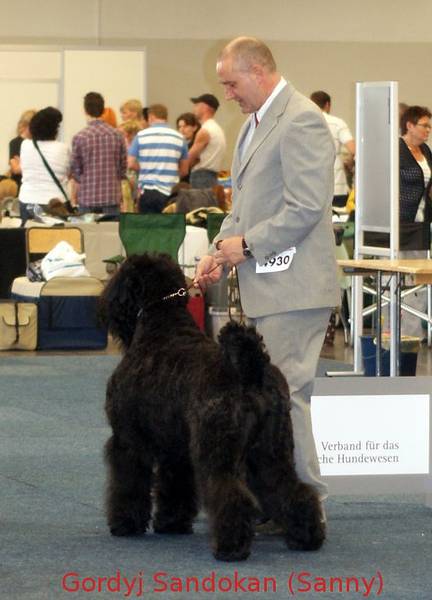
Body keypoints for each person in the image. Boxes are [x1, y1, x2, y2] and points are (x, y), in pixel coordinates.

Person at [195, 37, 339, 515]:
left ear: (258, 71)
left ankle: (307, 503)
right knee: (271, 397)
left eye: (231, 84)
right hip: (267, 284)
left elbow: (306, 207)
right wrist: (218, 250)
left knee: (286, 395)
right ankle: (279, 501)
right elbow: (243, 207)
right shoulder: (252, 124)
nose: (227, 94)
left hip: (295, 287)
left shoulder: (301, 120)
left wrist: (248, 245)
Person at [398, 105, 432, 337]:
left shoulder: (426, 151)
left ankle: (413, 336)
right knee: (397, 282)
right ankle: (394, 335)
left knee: (417, 283)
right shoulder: (397, 150)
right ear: (409, 125)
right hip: (399, 225)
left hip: (421, 224)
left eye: (429, 126)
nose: (428, 130)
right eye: (424, 125)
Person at [70, 92, 127, 214]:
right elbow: (123, 168)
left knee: (87, 227)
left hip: (87, 197)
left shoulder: (80, 137)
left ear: (85, 110)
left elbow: (75, 170)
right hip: (111, 196)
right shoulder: (117, 135)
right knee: (111, 227)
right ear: (103, 109)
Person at [128, 103, 189, 213]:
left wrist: (145, 168)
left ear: (151, 117)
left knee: (148, 223)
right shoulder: (179, 138)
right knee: (167, 223)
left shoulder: (141, 136)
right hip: (170, 191)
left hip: (146, 190)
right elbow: (184, 170)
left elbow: (131, 163)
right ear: (166, 117)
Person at [18, 107, 70, 223]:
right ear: (54, 130)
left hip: (28, 199)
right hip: (56, 203)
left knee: (29, 233)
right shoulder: (63, 148)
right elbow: (69, 173)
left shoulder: (25, 145)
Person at [310, 90, 355, 208]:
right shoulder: (337, 123)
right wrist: (350, 162)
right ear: (327, 104)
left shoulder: (304, 123)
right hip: (336, 185)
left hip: (312, 187)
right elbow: (353, 149)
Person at [188, 93, 226, 188]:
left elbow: (189, 158)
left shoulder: (205, 131)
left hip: (201, 178)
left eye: (196, 105)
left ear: (204, 107)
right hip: (212, 177)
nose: (194, 108)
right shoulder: (216, 129)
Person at [9, 109, 37, 190]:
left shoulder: (38, 143)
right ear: (26, 125)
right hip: (20, 186)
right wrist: (34, 166)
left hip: (35, 186)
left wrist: (22, 163)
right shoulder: (15, 143)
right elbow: (16, 169)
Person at [176, 112, 200, 182]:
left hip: (192, 181)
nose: (182, 130)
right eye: (179, 127)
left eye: (185, 126)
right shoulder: (178, 145)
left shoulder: (196, 145)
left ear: (194, 127)